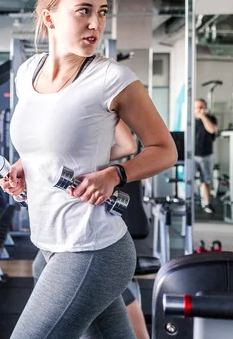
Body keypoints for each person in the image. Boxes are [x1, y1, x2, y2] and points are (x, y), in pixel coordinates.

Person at [0, 0, 177, 338]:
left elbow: (165, 150)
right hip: (49, 244)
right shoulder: (27, 73)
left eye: (102, 12)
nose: (96, 23)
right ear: (50, 17)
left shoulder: (113, 79)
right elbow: (43, 145)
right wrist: (22, 167)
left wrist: (115, 174)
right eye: (84, 11)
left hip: (92, 247)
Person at [32, 120, 150, 339]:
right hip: (58, 228)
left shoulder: (91, 94)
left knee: (100, 287)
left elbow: (129, 147)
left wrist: (96, 165)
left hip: (86, 226)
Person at [194, 98, 218, 213]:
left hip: (206, 155)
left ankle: (207, 203)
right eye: (198, 107)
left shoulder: (211, 119)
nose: (200, 109)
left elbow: (212, 130)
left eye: (202, 107)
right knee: (188, 179)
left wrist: (203, 117)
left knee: (206, 180)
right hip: (193, 155)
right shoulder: (191, 121)